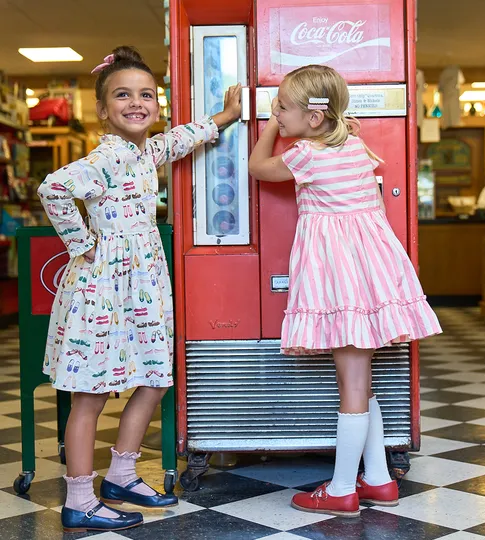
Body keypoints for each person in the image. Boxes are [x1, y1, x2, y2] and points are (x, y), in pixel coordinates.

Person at [37, 46, 241, 533]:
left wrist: (227, 116)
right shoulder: (104, 157)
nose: (136, 102)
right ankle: (80, 500)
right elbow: (53, 188)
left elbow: (180, 140)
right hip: (101, 288)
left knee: (155, 377)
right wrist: (81, 243)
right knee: (90, 395)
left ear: (158, 103)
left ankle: (122, 476)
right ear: (104, 110)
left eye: (146, 94)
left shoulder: (146, 150)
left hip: (142, 286)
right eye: (122, 95)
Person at [248, 65, 441, 518]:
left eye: (283, 107)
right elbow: (339, 131)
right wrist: (319, 123)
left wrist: (270, 129)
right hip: (370, 275)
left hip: (340, 280)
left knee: (351, 385)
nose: (277, 113)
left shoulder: (305, 155)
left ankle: (340, 489)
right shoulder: (354, 145)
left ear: (313, 119)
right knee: (360, 381)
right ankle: (377, 479)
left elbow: (258, 168)